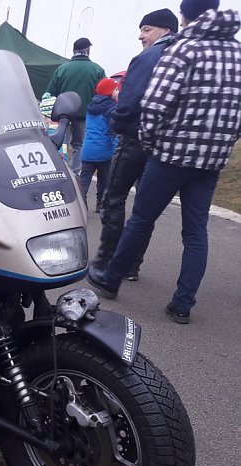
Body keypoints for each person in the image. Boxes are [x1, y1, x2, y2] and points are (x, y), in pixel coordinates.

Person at [87, 0, 241, 324]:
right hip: (210, 162)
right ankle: (183, 304)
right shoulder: (236, 54)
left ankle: (111, 279)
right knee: (196, 232)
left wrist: (149, 142)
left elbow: (155, 105)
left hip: (171, 155)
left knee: (141, 219)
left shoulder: (182, 49)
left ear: (185, 17)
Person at [90, 8, 179, 280]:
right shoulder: (185, 57)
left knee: (114, 198)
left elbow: (129, 103)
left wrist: (117, 121)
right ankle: (131, 266)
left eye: (146, 29)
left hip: (135, 139)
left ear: (165, 30)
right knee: (145, 208)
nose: (141, 36)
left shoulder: (148, 57)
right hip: (164, 145)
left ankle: (107, 261)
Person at [45, 37, 105, 175]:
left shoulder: (62, 69)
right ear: (88, 50)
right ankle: (75, 174)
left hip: (62, 117)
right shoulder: (97, 70)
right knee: (79, 145)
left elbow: (50, 93)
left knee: (61, 144)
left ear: (74, 50)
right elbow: (102, 96)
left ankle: (60, 171)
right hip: (84, 116)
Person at [79, 78, 119, 213]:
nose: (118, 92)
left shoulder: (91, 106)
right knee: (104, 180)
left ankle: (80, 204)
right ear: (109, 92)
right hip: (104, 152)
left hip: (87, 150)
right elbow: (113, 132)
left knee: (84, 181)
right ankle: (100, 204)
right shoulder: (112, 109)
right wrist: (117, 149)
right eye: (116, 89)